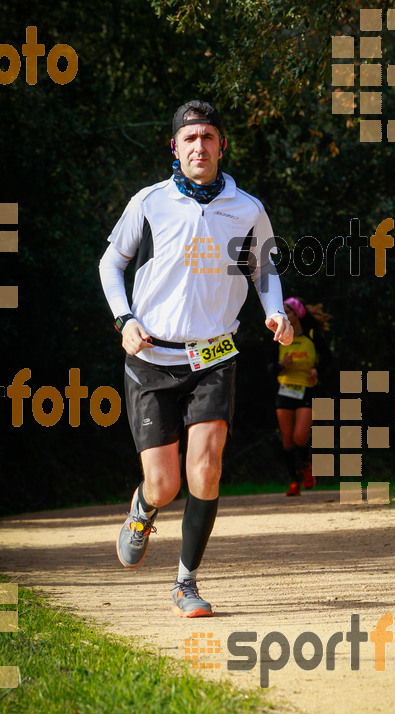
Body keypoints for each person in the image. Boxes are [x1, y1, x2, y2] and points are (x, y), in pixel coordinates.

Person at [99, 100, 293, 617]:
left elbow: (265, 272)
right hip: (151, 357)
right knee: (164, 483)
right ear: (175, 148)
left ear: (222, 145)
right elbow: (110, 263)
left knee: (205, 470)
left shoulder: (246, 208)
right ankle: (143, 508)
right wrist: (124, 320)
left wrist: (276, 313)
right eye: (190, 139)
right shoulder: (150, 203)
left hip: (214, 354)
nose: (199, 146)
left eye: (208, 137)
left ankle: (186, 582)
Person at [274, 297, 331, 496]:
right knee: (287, 440)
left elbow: (329, 360)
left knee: (300, 436)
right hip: (285, 390)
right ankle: (293, 481)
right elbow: (266, 367)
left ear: (297, 315)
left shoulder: (313, 336)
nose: (284, 315)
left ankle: (306, 466)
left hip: (307, 390)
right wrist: (282, 364)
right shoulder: (277, 337)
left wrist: (317, 370)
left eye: (287, 311)